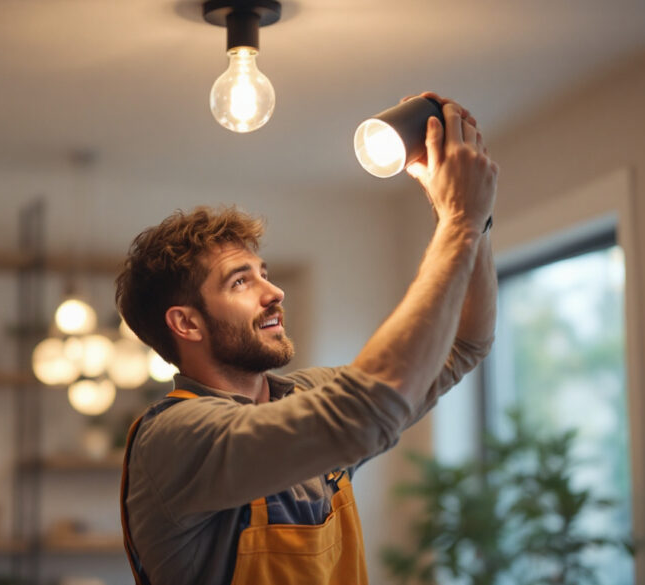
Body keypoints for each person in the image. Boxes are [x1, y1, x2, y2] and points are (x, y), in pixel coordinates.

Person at [116, 92, 498, 585]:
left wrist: (476, 222)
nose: (274, 292)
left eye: (265, 273)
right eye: (240, 281)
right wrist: (459, 223)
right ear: (187, 324)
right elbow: (363, 412)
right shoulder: (176, 437)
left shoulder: (305, 397)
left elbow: (465, 344)